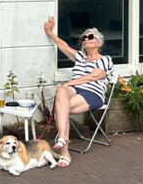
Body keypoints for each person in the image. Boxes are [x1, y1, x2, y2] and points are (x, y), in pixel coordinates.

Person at [43, 16, 114, 168]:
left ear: (99, 43)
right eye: (84, 37)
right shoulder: (80, 57)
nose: (86, 39)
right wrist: (49, 32)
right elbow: (63, 46)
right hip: (74, 90)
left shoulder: (105, 59)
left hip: (92, 93)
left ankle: (65, 151)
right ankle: (63, 141)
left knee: (62, 107)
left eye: (90, 37)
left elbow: (93, 76)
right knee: (61, 92)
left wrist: (70, 82)